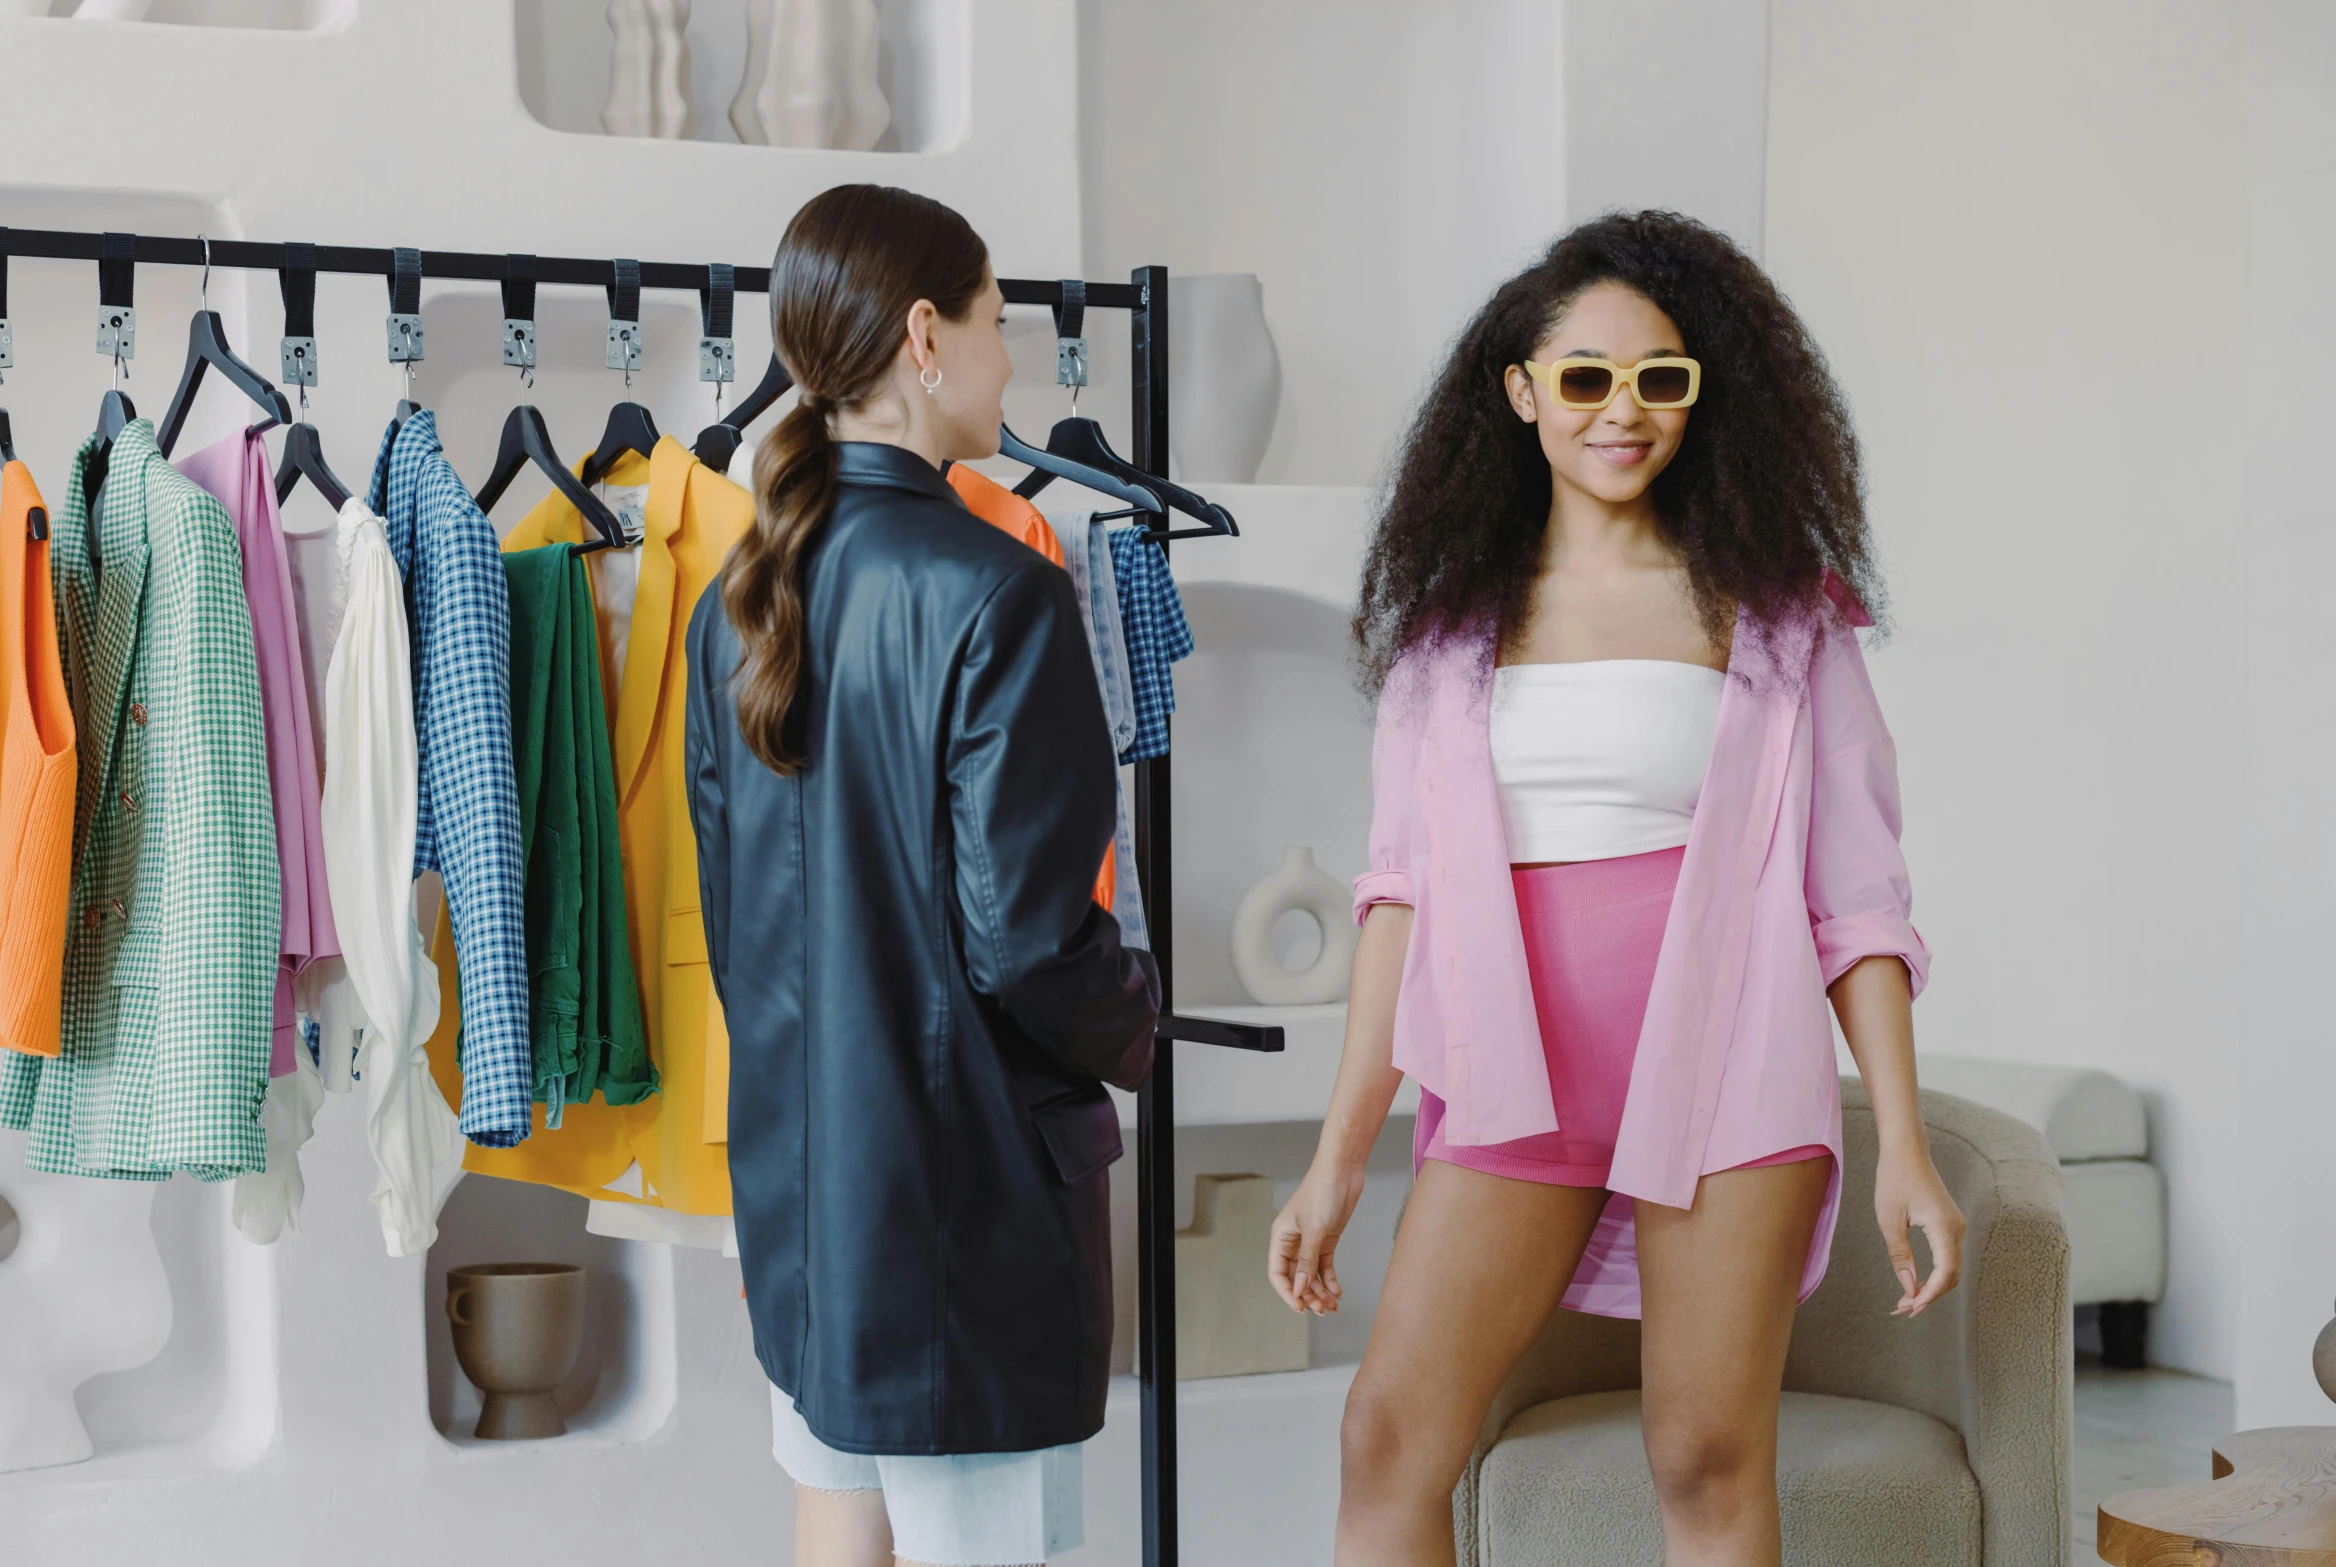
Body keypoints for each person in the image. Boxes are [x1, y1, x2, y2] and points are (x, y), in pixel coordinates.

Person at [1268, 210, 1962, 1567]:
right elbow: (1395, 900)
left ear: (1706, 396)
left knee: (1702, 1458)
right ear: (1521, 393)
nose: (1621, 411)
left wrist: (1908, 1148)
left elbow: (1857, 896)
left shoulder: (1778, 614)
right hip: (1509, 1077)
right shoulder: (1448, 632)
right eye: (1583, 376)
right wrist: (1336, 1159)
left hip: (1724, 1081)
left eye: (1659, 377)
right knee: (1386, 1436)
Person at [685, 183, 1158, 1567]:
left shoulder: (752, 589)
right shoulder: (995, 590)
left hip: (809, 1192)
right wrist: (1132, 1015)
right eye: (1000, 322)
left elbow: (737, 928)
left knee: (839, 1520)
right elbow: (1025, 943)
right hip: (966, 1203)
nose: (1012, 360)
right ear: (924, 338)